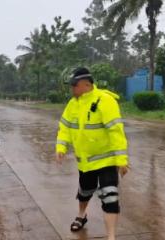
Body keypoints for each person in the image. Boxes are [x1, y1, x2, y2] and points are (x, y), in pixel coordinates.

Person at [55, 67, 129, 240]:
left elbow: (116, 131)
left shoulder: (105, 101)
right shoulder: (73, 104)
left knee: (110, 197)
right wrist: (61, 147)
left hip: (107, 160)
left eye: (74, 85)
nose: (71, 89)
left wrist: (121, 160)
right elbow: (64, 127)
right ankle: (82, 215)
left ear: (85, 84)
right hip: (85, 162)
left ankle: (111, 236)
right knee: (85, 191)